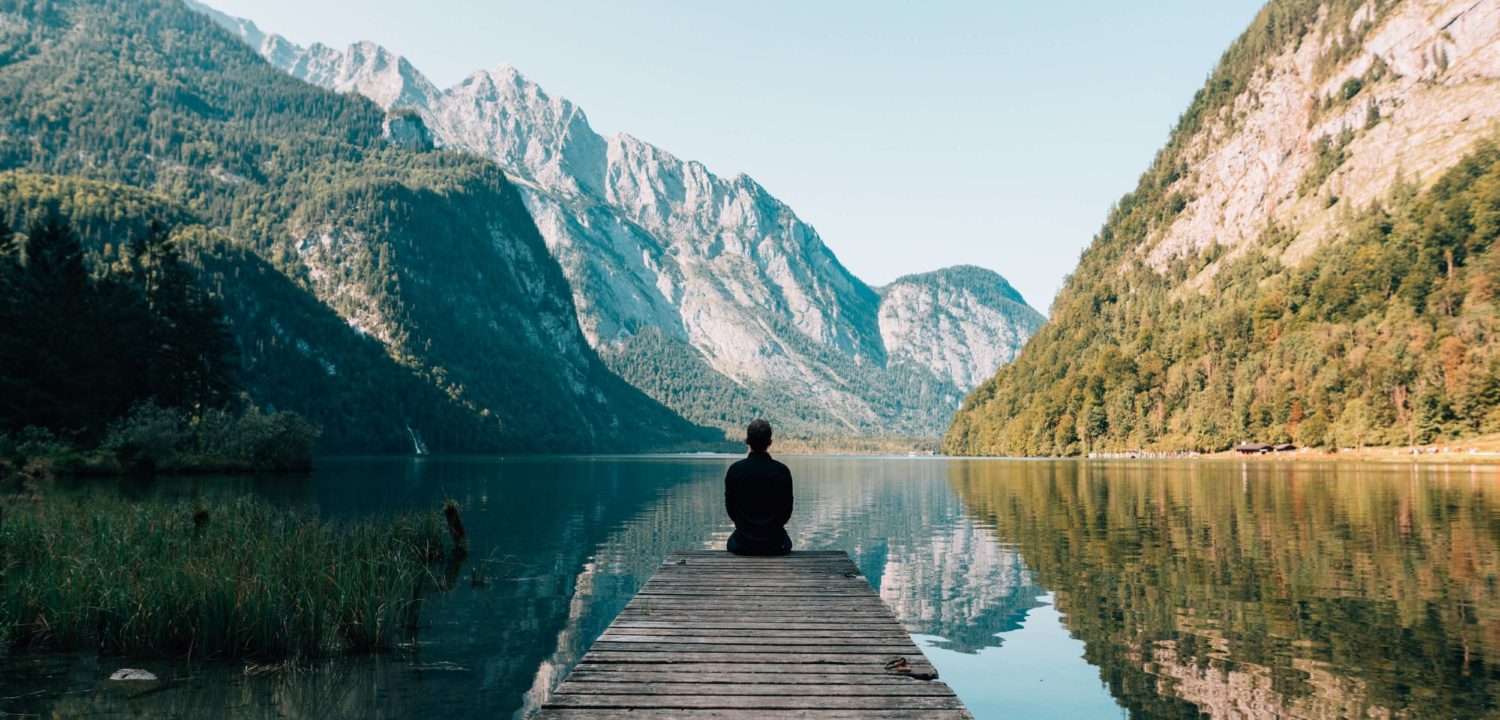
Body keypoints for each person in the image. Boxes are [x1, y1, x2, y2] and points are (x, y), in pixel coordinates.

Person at [724, 418, 794, 556]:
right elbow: (787, 510)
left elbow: (731, 509)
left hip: (742, 544)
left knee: (732, 542)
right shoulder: (782, 471)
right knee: (786, 542)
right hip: (775, 544)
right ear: (769, 442)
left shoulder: (735, 470)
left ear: (747, 441)